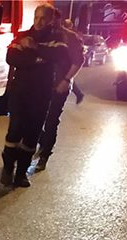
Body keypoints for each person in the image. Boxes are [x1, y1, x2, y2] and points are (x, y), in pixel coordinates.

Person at [0, 4, 69, 187]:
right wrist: (39, 59)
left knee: (32, 134)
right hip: (20, 91)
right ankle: (8, 168)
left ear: (51, 20)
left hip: (41, 93)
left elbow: (59, 55)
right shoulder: (22, 35)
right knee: (15, 130)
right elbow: (11, 58)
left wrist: (33, 48)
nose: (38, 22)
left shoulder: (57, 38)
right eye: (36, 17)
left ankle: (21, 173)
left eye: (43, 18)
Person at [36, 13, 85, 171]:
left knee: (51, 121)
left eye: (51, 20)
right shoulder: (41, 34)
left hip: (59, 86)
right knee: (35, 118)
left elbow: (78, 60)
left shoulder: (69, 37)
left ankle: (44, 155)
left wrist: (66, 79)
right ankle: (42, 143)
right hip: (41, 85)